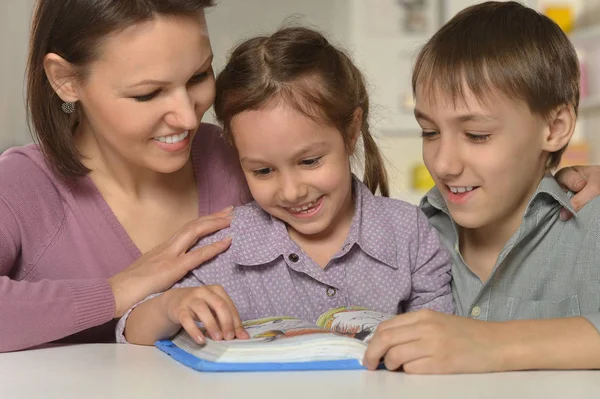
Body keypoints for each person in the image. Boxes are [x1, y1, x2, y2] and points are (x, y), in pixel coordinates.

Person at [118, 27, 453, 345]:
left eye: (309, 162)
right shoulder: (225, 246)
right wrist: (169, 306)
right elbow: (132, 331)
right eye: (263, 170)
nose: (292, 192)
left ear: (351, 133)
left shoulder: (410, 233)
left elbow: (441, 341)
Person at [363, 1, 600, 373]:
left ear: (553, 129)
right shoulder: (407, 237)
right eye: (430, 132)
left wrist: (492, 343)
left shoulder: (592, 223)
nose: (442, 164)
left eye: (477, 135)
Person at [0, 0, 251, 352]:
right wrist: (116, 291)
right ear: (66, 81)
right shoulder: (21, 185)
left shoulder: (245, 159)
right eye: (148, 94)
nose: (188, 118)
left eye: (199, 76)